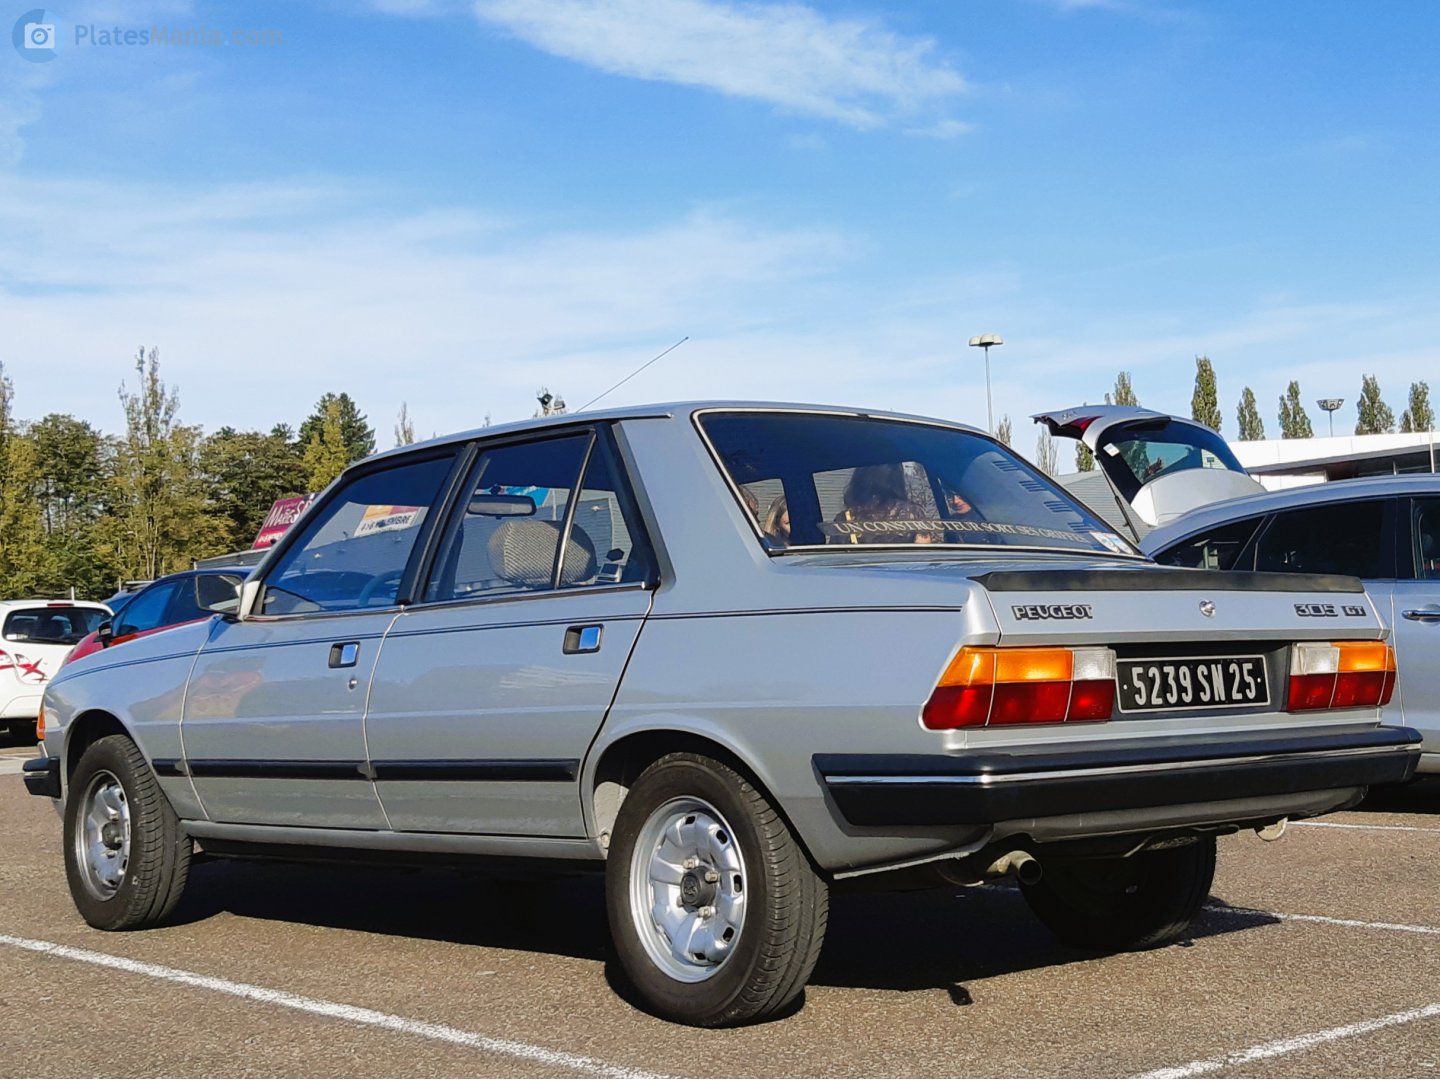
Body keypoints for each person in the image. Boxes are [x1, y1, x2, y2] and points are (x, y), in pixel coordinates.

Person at [834, 464, 934, 544]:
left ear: (859, 479)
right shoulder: (913, 514)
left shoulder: (844, 520)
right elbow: (924, 556)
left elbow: (832, 563)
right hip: (904, 569)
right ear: (897, 478)